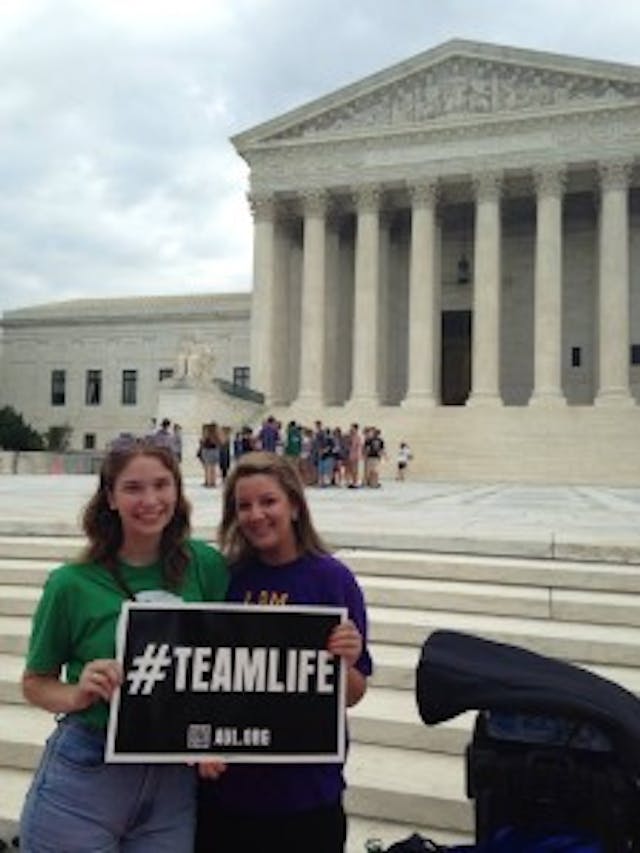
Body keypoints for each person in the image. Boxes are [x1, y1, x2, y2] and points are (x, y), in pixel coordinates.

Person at [19, 438, 228, 852]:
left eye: (161, 485)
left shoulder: (206, 566)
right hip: (88, 770)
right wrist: (79, 692)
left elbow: (229, 658)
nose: (150, 500)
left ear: (177, 491)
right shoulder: (71, 584)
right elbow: (35, 683)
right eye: (133, 488)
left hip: (171, 781)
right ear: (110, 498)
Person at [195, 451, 372, 853]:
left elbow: (354, 694)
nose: (256, 515)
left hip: (306, 795)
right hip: (228, 794)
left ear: (294, 504)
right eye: (244, 506)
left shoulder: (333, 580)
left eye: (268, 501)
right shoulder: (227, 578)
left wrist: (344, 663)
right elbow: (202, 675)